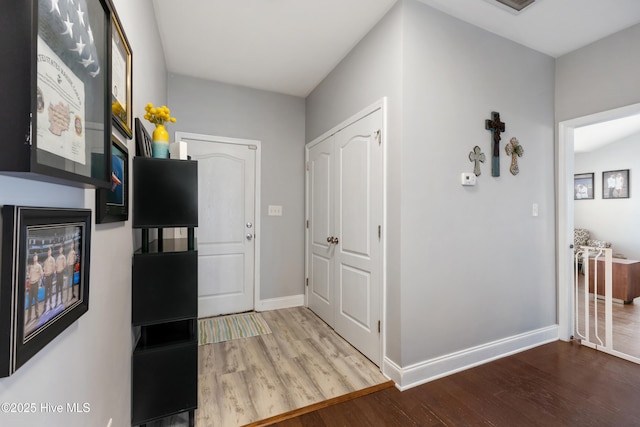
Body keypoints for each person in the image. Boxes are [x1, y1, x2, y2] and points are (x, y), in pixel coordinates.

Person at [26, 253, 43, 322]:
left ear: (37, 258)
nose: (34, 258)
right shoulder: (31, 267)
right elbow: (29, 276)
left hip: (36, 284)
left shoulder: (39, 266)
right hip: (31, 285)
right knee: (30, 302)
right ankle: (29, 317)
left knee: (36, 301)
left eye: (36, 257)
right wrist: (29, 279)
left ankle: (37, 314)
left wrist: (38, 282)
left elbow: (41, 274)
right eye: (34, 257)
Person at [42, 246, 55, 311]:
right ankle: (45, 306)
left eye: (49, 251)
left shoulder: (52, 259)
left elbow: (53, 268)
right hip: (46, 277)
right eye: (48, 252)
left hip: (50, 277)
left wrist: (51, 274)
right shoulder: (45, 261)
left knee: (50, 292)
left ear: (51, 252)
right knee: (46, 292)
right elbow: (44, 270)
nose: (48, 253)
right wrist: (45, 273)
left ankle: (50, 305)